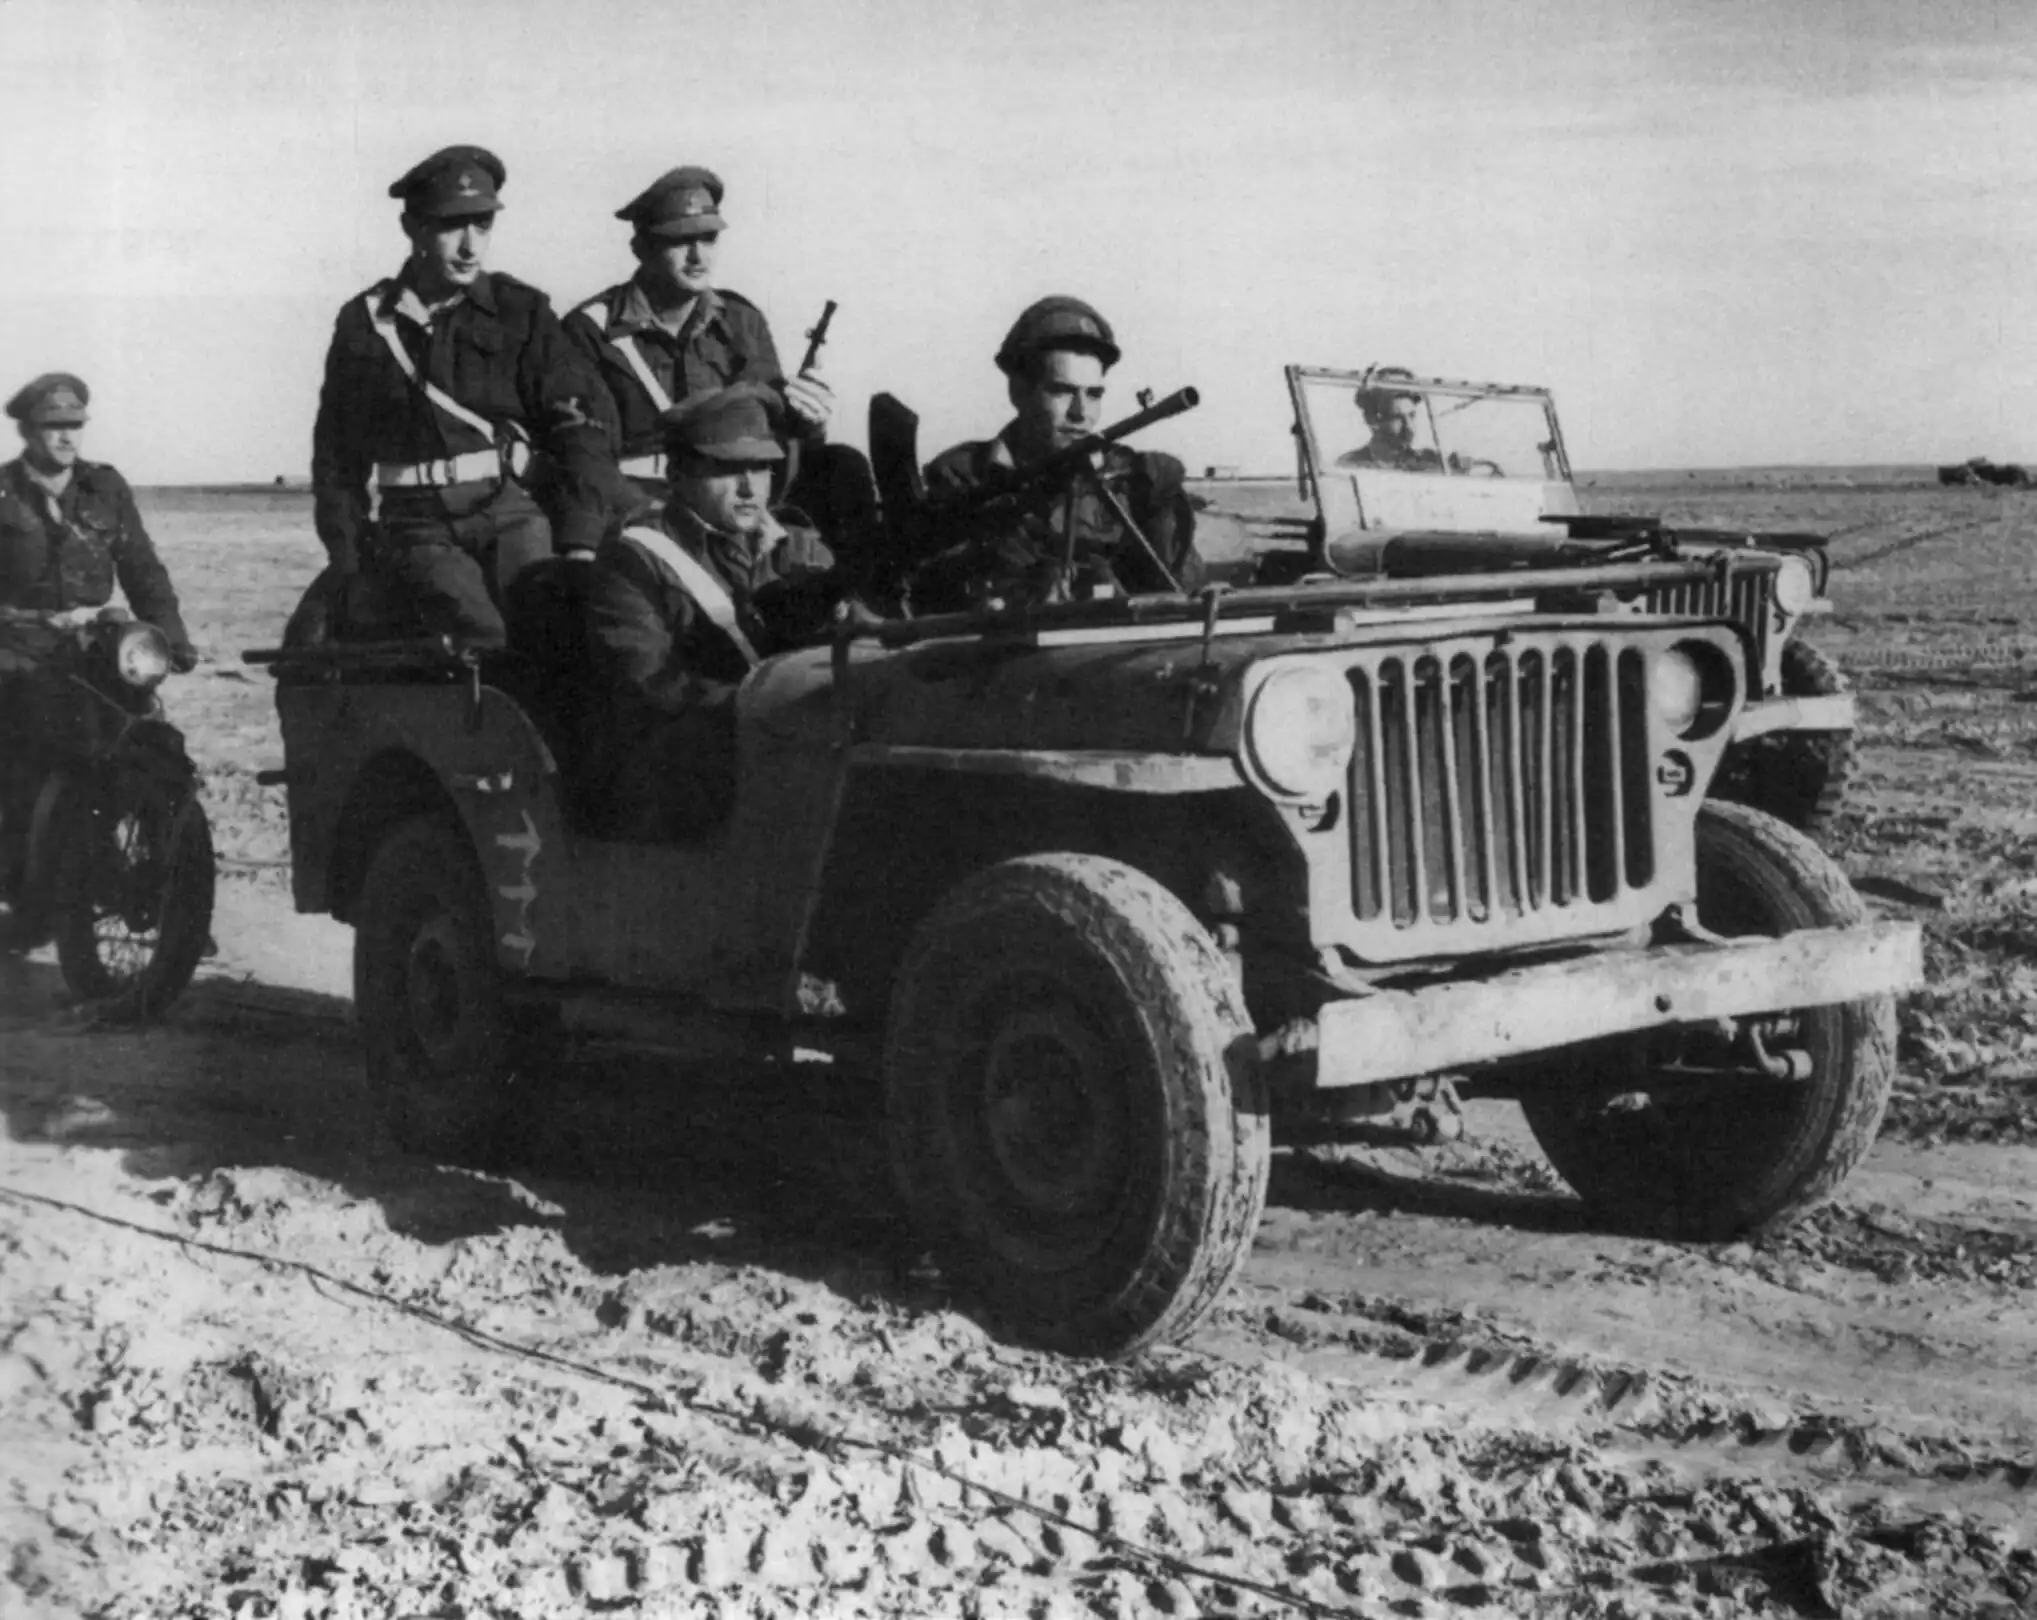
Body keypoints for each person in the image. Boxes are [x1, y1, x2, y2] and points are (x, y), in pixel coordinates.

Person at [309, 144, 617, 650]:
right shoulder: (366, 324)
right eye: (453, 226)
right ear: (413, 228)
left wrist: (581, 537)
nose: (471, 245)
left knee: (556, 628)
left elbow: (578, 425)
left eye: (483, 225)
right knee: (483, 635)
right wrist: (348, 554)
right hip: (416, 522)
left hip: (510, 509)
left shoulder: (521, 311)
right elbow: (336, 455)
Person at [581, 383, 844, 842]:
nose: (748, 488)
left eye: (760, 468)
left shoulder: (799, 546)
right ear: (677, 473)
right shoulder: (635, 558)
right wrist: (782, 706)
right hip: (681, 768)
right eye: (725, 469)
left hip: (788, 748)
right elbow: (651, 690)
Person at [562, 165, 836, 522]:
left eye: (708, 238)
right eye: (679, 241)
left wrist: (808, 421)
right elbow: (587, 457)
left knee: (841, 466)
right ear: (641, 248)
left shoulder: (740, 320)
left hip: (733, 500)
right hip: (643, 504)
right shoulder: (591, 331)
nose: (698, 256)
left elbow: (768, 433)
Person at [914, 296, 1203, 610]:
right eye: (1062, 391)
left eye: (1093, 394)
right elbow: (934, 599)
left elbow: (1183, 597)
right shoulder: (965, 477)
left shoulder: (1136, 483)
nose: (1081, 413)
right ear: (1019, 392)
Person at [0, 372, 194, 664]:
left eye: (76, 426)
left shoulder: (105, 486)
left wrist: (172, 639)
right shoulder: (5, 489)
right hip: (13, 653)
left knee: (137, 706)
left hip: (96, 647)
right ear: (26, 431)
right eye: (54, 427)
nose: (67, 438)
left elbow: (141, 569)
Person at [1335, 367, 1443, 471]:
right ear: (1371, 420)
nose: (1409, 427)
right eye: (1397, 418)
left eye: (1411, 416)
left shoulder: (1431, 463)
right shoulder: (1351, 465)